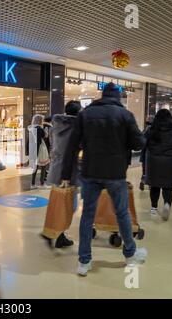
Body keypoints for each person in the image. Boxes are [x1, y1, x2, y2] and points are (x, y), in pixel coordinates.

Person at [61, 82, 147, 276]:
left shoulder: (85, 114)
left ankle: (84, 262)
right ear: (117, 97)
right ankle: (130, 254)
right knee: (122, 213)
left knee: (87, 215)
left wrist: (66, 174)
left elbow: (72, 146)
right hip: (115, 173)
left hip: (90, 171)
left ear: (102, 95)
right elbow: (138, 143)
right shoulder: (125, 115)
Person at [46, 101, 82, 248]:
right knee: (70, 205)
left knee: (59, 202)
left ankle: (54, 232)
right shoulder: (76, 128)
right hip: (69, 170)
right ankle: (57, 234)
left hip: (56, 168)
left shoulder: (57, 125)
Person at [144, 109, 172, 220]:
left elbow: (143, 143)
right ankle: (167, 204)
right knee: (168, 187)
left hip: (154, 161)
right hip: (171, 162)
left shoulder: (151, 130)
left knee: (155, 186)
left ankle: (153, 208)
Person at [28, 114, 50, 189]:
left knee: (35, 167)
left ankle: (33, 184)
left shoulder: (31, 128)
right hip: (41, 149)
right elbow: (45, 136)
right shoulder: (39, 129)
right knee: (43, 166)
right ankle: (42, 183)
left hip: (33, 149)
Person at [139, 116, 154, 191]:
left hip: (144, 153)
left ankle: (142, 181)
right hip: (151, 154)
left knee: (144, 170)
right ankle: (150, 185)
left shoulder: (144, 130)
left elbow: (141, 142)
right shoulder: (154, 131)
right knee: (151, 170)